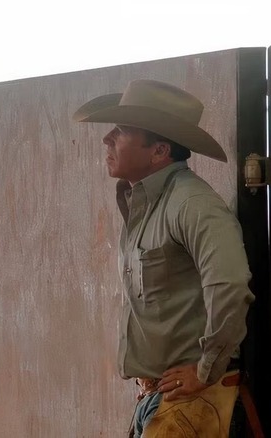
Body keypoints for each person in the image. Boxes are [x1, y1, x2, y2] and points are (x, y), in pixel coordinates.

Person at [72, 79, 255, 437]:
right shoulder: (146, 202)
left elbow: (230, 285)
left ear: (158, 151)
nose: (107, 138)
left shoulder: (192, 204)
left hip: (192, 402)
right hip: (159, 400)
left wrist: (206, 369)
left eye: (121, 131)